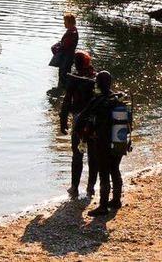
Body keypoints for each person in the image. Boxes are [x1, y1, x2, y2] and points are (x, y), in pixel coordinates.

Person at [75, 71, 127, 216]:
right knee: (115, 169)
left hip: (103, 142)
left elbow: (80, 120)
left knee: (104, 173)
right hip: (119, 141)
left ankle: (103, 206)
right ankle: (116, 200)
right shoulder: (118, 100)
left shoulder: (98, 101)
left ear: (97, 84)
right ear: (110, 83)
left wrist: (83, 136)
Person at [59, 51, 97, 198]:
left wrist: (63, 120)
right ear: (88, 62)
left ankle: (74, 188)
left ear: (75, 63)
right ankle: (91, 188)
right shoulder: (96, 77)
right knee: (93, 156)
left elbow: (67, 100)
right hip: (94, 122)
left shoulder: (73, 79)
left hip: (78, 120)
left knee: (77, 154)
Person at [56, 13, 79, 88]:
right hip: (68, 56)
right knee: (65, 73)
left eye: (65, 21)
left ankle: (64, 90)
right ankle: (63, 90)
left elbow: (65, 45)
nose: (64, 23)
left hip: (67, 57)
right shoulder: (72, 31)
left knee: (64, 75)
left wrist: (56, 48)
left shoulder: (71, 32)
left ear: (69, 22)